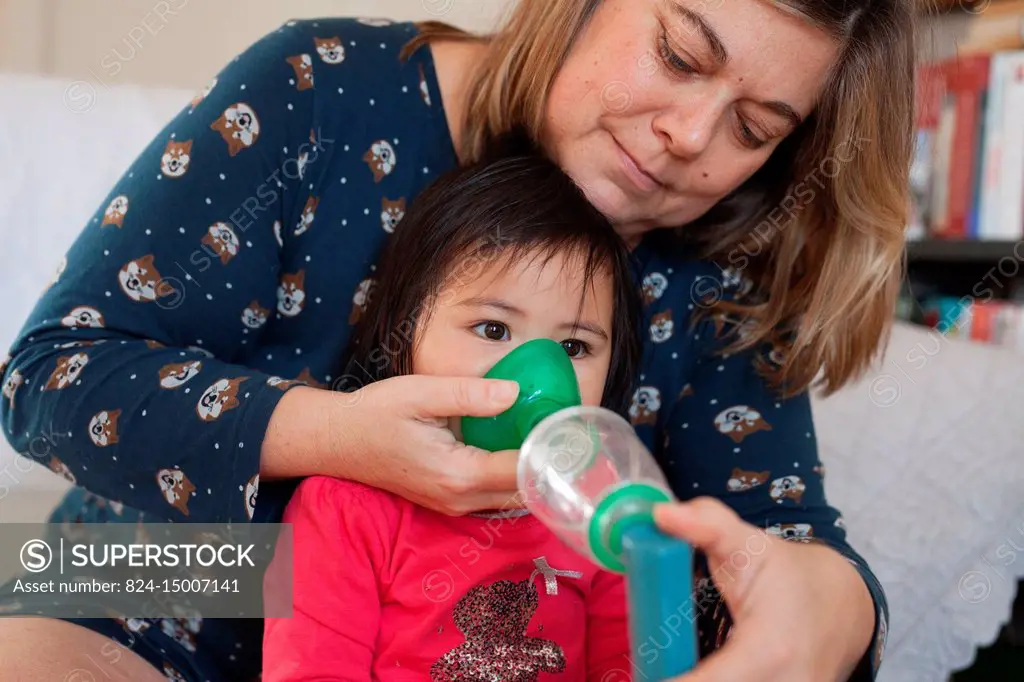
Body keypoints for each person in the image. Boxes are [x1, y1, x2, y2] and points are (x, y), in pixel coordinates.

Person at [0, 0, 915, 680]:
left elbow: (778, 543)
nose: (688, 137)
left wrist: (828, 617)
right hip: (154, 592)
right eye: (677, 54)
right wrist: (336, 439)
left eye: (753, 129)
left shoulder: (724, 252)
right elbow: (47, 378)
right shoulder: (323, 91)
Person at [262, 140, 641, 680]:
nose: (540, 374)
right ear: (406, 332)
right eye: (493, 329)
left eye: (575, 348)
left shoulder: (601, 506)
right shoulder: (340, 507)